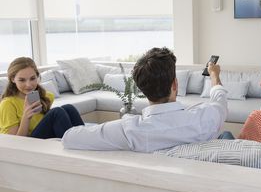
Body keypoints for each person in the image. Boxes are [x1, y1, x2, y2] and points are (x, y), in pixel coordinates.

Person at [62, 47, 228, 152]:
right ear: (175, 84)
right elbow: (219, 99)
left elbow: (69, 137)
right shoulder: (206, 118)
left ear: (142, 90)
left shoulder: (128, 130)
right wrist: (213, 74)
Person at [0, 57, 84, 139]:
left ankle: (85, 141)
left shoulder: (46, 96)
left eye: (32, 78)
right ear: (12, 79)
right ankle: (75, 144)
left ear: (37, 77)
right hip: (23, 142)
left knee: (68, 108)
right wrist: (26, 117)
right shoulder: (7, 104)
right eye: (22, 80)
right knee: (56, 112)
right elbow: (15, 142)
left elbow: (45, 126)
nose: (28, 85)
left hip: (39, 136)